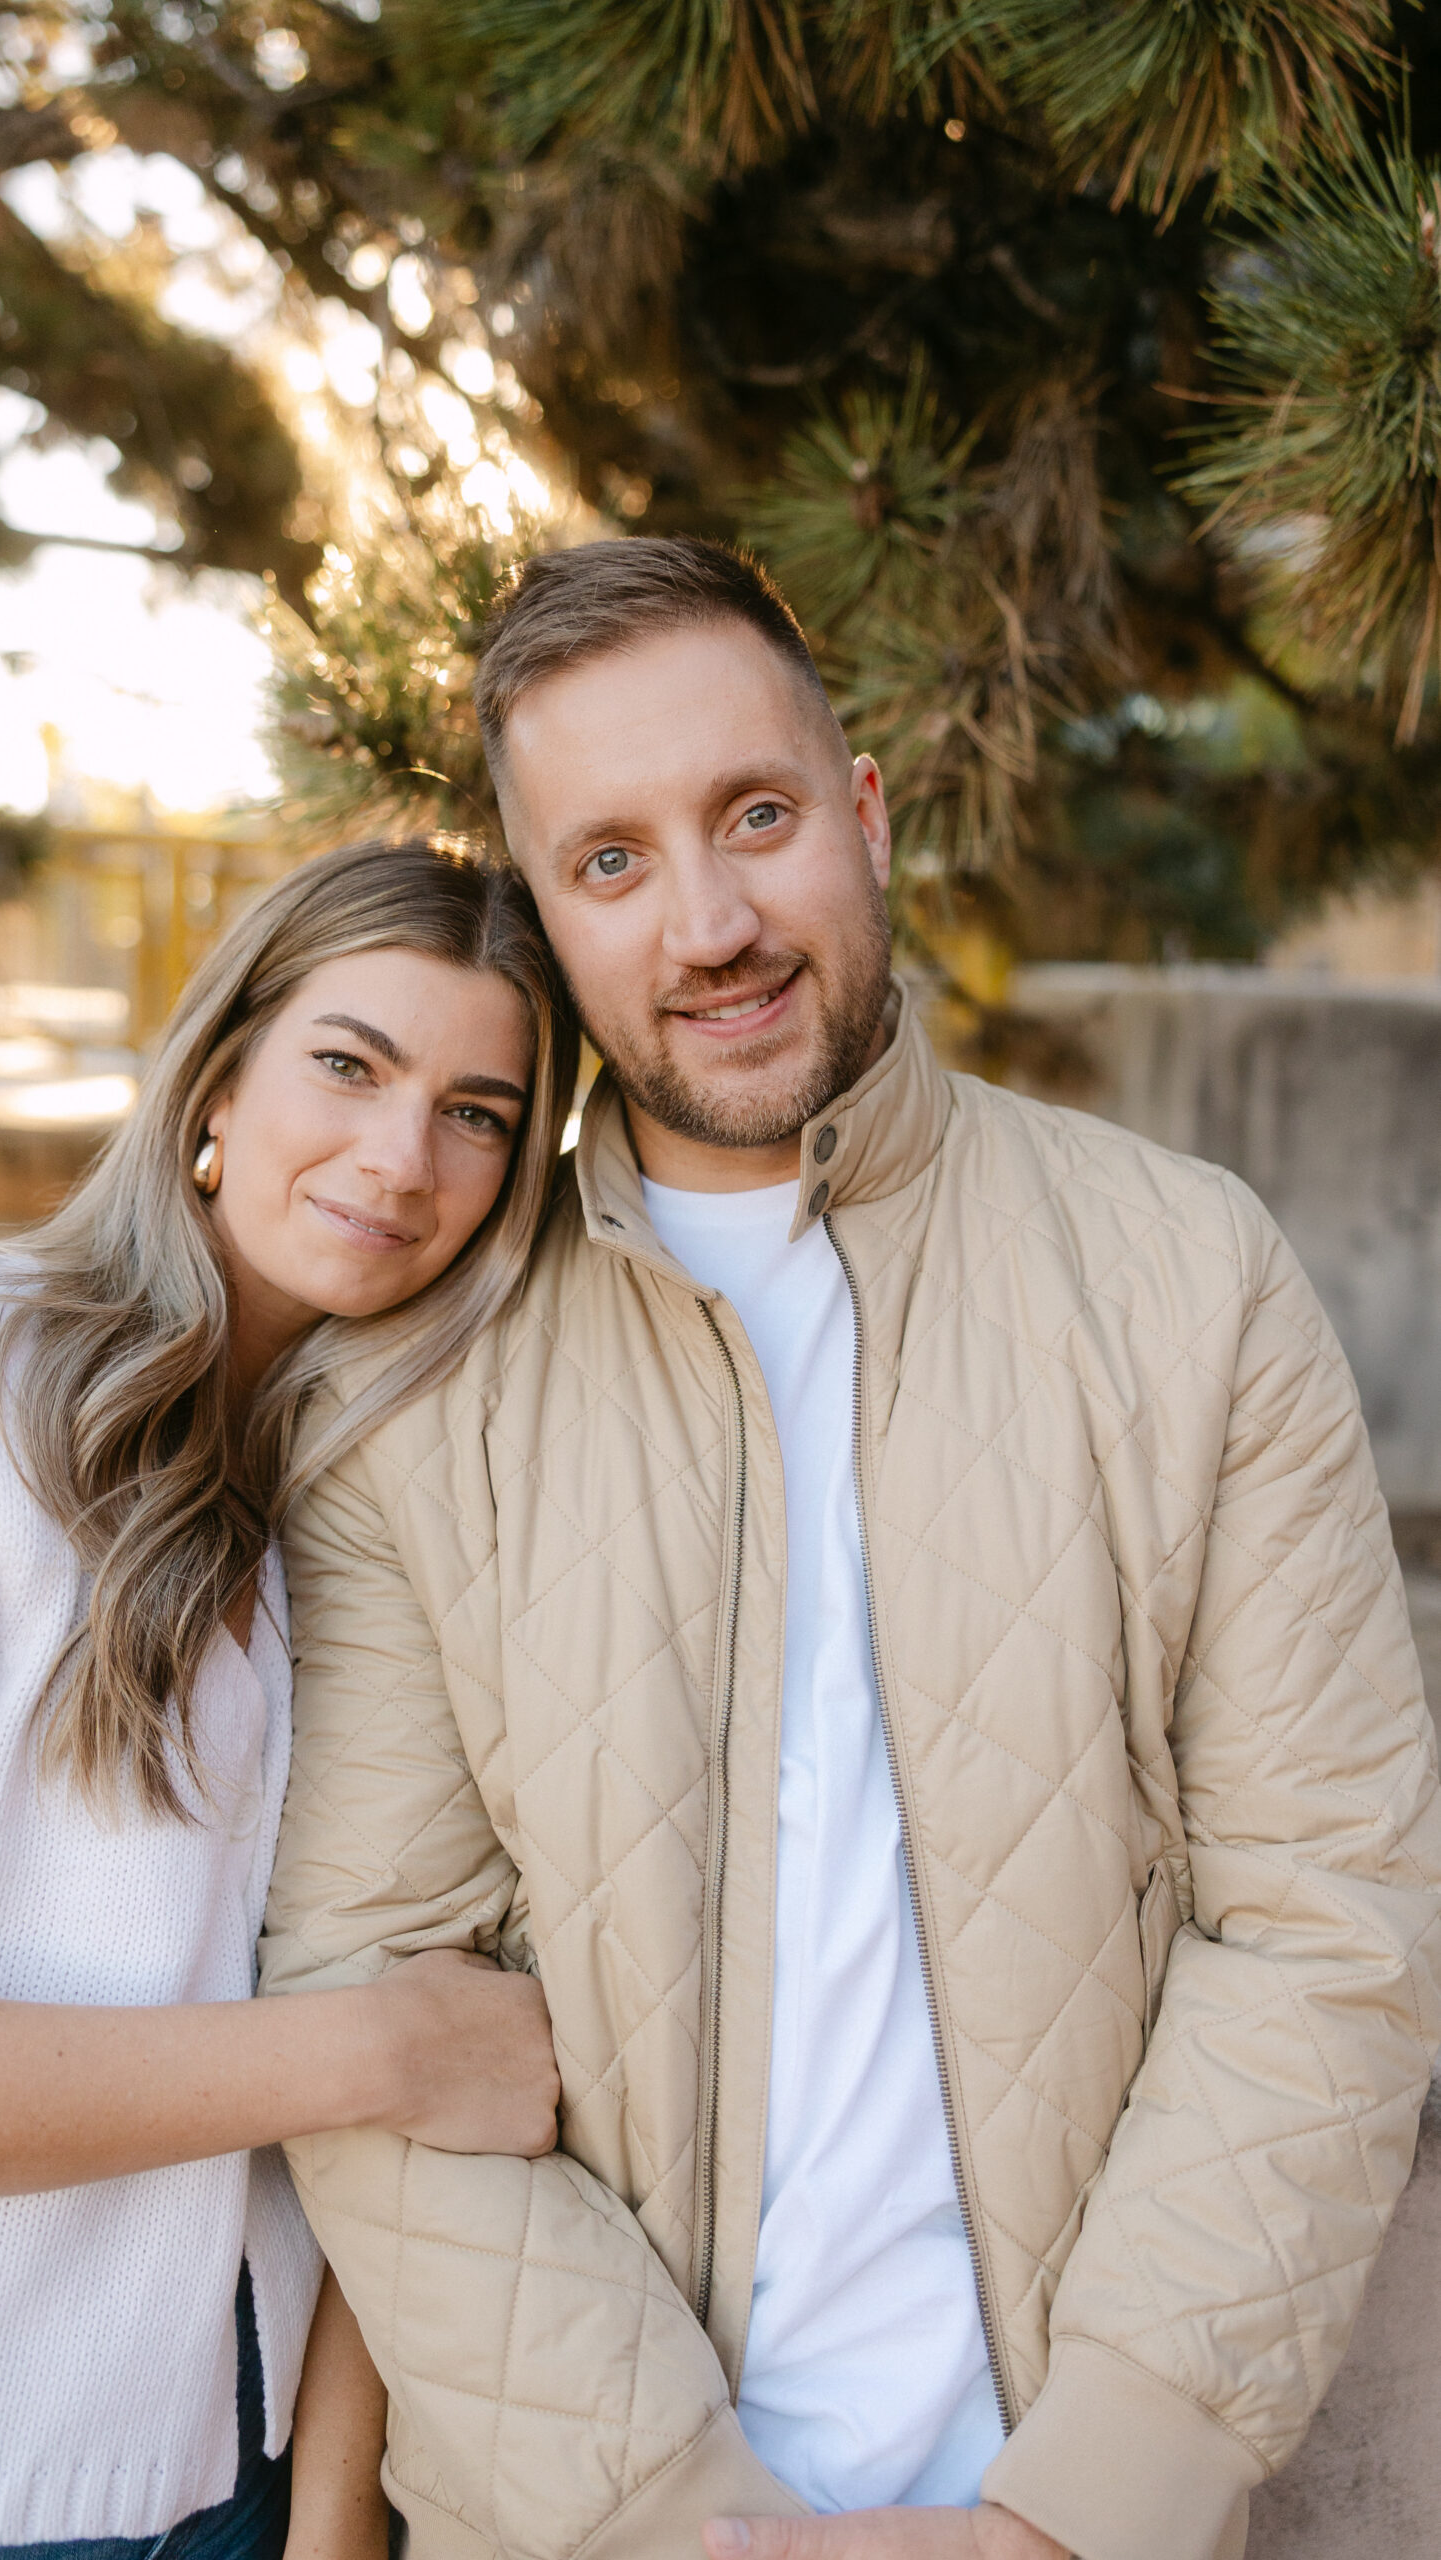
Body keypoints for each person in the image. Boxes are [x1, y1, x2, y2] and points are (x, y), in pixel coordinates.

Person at [259, 543, 1441, 2560]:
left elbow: (1329, 1914)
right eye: (610, 862)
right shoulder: (412, 1394)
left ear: (865, 812)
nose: (708, 923)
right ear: (545, 921)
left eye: (753, 816)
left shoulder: (1181, 1273)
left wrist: (1077, 2507)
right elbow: (374, 2004)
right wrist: (669, 2516)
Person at [0, 840, 576, 2560]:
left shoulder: (388, 1496)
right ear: (218, 1076)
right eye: (349, 1064)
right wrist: (368, 2055)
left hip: (230, 2488)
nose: (402, 1157)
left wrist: (327, 2523)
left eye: (481, 1111)